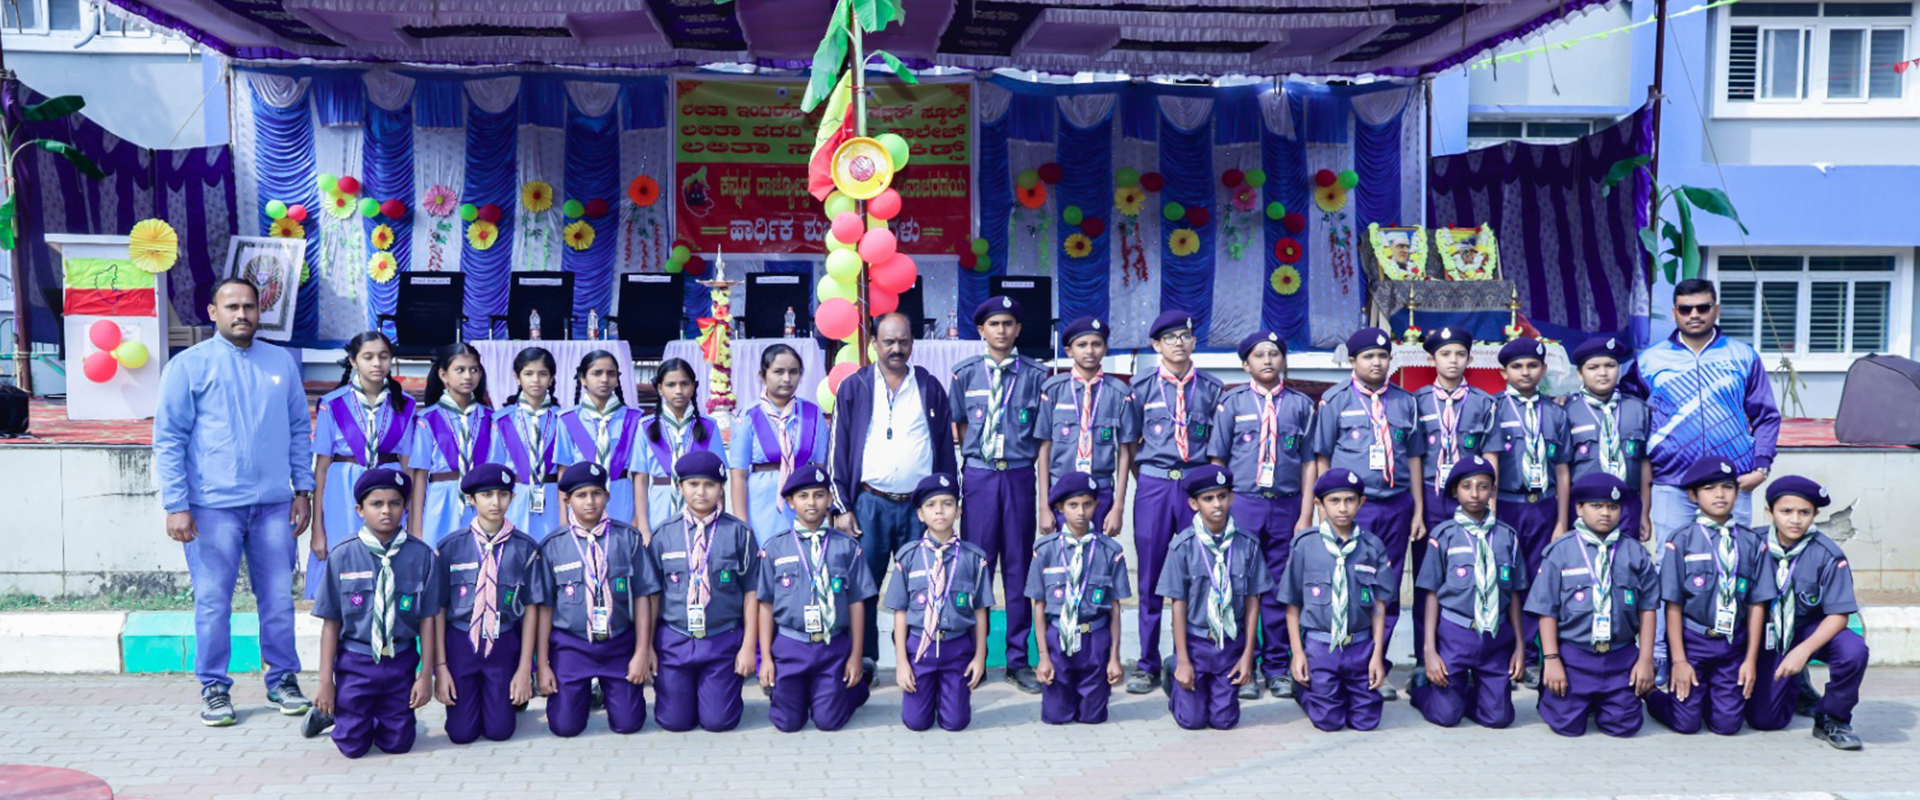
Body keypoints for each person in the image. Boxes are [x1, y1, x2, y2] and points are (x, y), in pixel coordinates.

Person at [154, 277, 314, 726]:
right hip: (212, 507)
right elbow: (168, 438)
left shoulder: (280, 363)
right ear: (213, 312)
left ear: (259, 311)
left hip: (274, 505)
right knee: (212, 602)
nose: (241, 314)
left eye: (249, 306)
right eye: (232, 307)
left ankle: (283, 679)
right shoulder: (188, 366)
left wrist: (302, 490)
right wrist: (176, 504)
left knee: (278, 599)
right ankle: (214, 687)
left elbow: (299, 429)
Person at [1623, 278, 1781, 672]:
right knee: (1669, 569)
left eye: (1703, 307)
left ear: (1716, 310)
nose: (1694, 315)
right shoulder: (1650, 360)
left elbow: (1766, 415)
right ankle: (1663, 655)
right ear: (1674, 312)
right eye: (1686, 309)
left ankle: (1736, 656)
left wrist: (1761, 466)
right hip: (1672, 483)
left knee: (1736, 565)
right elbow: (1622, 408)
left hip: (1732, 484)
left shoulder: (1742, 356)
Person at [830, 313, 957, 661]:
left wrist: (947, 502)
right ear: (874, 343)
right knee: (863, 587)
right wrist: (842, 507)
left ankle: (920, 658)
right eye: (888, 341)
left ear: (912, 343)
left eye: (903, 341)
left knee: (922, 584)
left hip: (920, 509)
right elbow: (837, 450)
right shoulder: (854, 387)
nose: (896, 348)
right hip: (869, 505)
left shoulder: (929, 387)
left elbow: (945, 449)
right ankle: (864, 659)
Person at [1310, 327, 1423, 699]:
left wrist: (1418, 510)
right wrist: (1325, 511)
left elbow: (1414, 459)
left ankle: (1377, 666)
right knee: (1347, 585)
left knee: (1385, 589)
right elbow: (1323, 456)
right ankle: (1341, 665)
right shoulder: (1335, 400)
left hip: (1396, 506)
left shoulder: (1405, 402)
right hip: (1354, 509)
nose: (1376, 362)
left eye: (1383, 356)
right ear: (1353, 361)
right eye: (1368, 357)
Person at [950, 296, 1050, 694]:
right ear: (981, 330)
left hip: (1019, 475)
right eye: (994, 324)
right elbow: (959, 428)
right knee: (977, 567)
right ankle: (971, 657)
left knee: (1018, 567)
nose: (1002, 330)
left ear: (1018, 329)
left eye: (1009, 323)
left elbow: (1042, 436)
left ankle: (1017, 660)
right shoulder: (964, 374)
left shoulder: (1037, 375)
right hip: (980, 477)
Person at [1207, 330, 1314, 699]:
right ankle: (1243, 664)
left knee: (1280, 587)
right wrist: (1220, 508)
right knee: (1239, 584)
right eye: (1259, 355)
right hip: (1244, 503)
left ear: (1283, 360)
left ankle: (1277, 666)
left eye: (1274, 353)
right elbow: (1218, 460)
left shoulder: (1301, 405)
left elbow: (1308, 463)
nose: (1268, 360)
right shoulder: (1231, 403)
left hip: (1286, 504)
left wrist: (1306, 513)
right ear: (1245, 364)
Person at [1129, 312, 1227, 698]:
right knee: (1151, 577)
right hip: (1154, 485)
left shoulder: (1212, 388)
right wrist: (1150, 478)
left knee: (1199, 574)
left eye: (1185, 336)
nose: (1179, 343)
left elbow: (1217, 448)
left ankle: (1195, 658)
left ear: (1194, 341)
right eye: (1170, 338)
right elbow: (1130, 444)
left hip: (1196, 487)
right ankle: (1147, 663)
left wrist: (1209, 493)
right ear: (1156, 345)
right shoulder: (1140, 387)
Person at [1036, 317, 1139, 685]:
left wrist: (1118, 505)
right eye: (1082, 345)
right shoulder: (1053, 390)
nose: (1090, 351)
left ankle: (1101, 656)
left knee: (1100, 573)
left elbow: (1125, 452)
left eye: (1096, 344)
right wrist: (1044, 505)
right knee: (1060, 570)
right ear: (1069, 350)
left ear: (1105, 349)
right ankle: (1058, 656)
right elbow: (1044, 449)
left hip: (1101, 494)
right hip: (1062, 497)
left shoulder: (1119, 393)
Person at [308, 468, 439, 758]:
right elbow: (331, 623)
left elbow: (428, 619)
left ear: (405, 507)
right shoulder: (342, 555)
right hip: (356, 662)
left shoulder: (421, 556)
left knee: (398, 744)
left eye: (395, 503)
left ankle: (372, 714)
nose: (386, 511)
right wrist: (325, 682)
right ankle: (332, 711)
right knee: (352, 747)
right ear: (360, 510)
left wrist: (425, 675)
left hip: (400, 662)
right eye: (376, 504)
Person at [1646, 455, 1776, 736]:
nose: (1720, 494)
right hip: (1693, 642)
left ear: (1737, 492)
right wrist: (1678, 661)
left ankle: (1706, 700)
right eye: (1709, 489)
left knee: (1727, 726)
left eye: (1727, 487)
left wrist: (1750, 660)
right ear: (1693, 496)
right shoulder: (1681, 540)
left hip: (1732, 644)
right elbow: (1672, 605)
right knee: (1686, 724)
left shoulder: (1752, 543)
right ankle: (1652, 697)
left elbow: (1757, 605)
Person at [1527, 472, 1660, 738]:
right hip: (1574, 656)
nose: (1605, 513)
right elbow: (1546, 610)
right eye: (1596, 506)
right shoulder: (1560, 552)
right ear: (1579, 509)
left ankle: (1611, 700)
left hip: (1620, 656)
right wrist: (1551, 659)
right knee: (1567, 726)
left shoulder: (1635, 553)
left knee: (1624, 727)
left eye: (1612, 507)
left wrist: (1645, 660)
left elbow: (1648, 609)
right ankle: (1557, 696)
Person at [534, 462, 661, 737]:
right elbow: (545, 609)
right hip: (571, 645)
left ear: (607, 496)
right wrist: (542, 665)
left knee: (628, 724)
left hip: (618, 643)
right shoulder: (553, 546)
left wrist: (642, 651)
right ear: (566, 500)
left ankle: (610, 693)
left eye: (596, 493)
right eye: (581, 495)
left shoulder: (627, 538)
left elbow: (643, 596)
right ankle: (581, 695)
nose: (590, 502)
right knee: (565, 727)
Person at [1747, 476, 1867, 750]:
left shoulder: (1827, 554)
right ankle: (1796, 687)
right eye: (1786, 511)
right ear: (1769, 512)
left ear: (1815, 514)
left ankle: (1833, 717)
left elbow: (1839, 615)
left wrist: (1803, 651)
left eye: (1804, 512)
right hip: (1765, 636)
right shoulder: (1751, 543)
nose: (1795, 520)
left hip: (1807, 632)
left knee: (1853, 650)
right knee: (1766, 720)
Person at [756, 464, 877, 733]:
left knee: (828, 722)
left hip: (832, 646)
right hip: (790, 646)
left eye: (819, 495)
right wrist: (766, 658)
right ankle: (802, 693)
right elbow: (765, 604)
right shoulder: (775, 548)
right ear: (790, 502)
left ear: (830, 499)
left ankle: (854, 691)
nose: (811, 502)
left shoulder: (846, 547)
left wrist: (856, 655)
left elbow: (857, 603)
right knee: (787, 723)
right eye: (803, 496)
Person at [1408, 456, 1526, 729]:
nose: (1475, 494)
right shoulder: (1443, 535)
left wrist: (1520, 646)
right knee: (1446, 717)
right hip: (1455, 634)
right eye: (1467, 486)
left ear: (1493, 491)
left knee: (1499, 718)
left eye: (1483, 487)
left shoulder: (1507, 537)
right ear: (1454, 491)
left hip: (1495, 637)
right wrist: (1429, 650)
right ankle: (1421, 693)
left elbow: (1514, 595)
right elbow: (1431, 594)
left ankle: (1471, 697)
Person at [433, 463, 546, 745]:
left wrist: (525, 669)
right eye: (486, 495)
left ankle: (508, 698)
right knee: (461, 734)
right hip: (461, 643)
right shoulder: (450, 548)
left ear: (512, 497)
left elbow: (531, 608)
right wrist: (440, 667)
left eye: (503, 494)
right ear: (471, 499)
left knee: (499, 731)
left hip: (503, 642)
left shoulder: (524, 548)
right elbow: (438, 609)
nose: (496, 502)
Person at [648, 450, 759, 733]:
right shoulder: (663, 534)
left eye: (710, 485)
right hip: (675, 641)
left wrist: (748, 647)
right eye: (693, 484)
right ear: (679, 487)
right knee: (674, 722)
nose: (701, 492)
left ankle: (716, 694)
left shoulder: (739, 533)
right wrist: (647, 647)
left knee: (718, 721)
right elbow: (652, 597)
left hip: (722, 640)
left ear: (721, 488)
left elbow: (752, 592)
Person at [1410, 327, 1499, 668]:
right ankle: (1425, 657)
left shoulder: (1483, 403)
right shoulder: (1416, 402)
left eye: (1460, 354)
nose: (1453, 361)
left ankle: (1474, 655)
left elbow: (1491, 455)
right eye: (1445, 354)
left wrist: (1491, 504)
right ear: (1431, 359)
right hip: (1432, 499)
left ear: (1470, 359)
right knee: (1427, 580)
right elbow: (1414, 459)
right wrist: (1418, 510)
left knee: (1473, 575)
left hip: (1472, 500)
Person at [1158, 465, 1268, 731]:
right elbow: (1178, 606)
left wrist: (1248, 655)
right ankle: (1173, 672)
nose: (1217, 504)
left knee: (1224, 721)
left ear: (1231, 498)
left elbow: (1253, 602)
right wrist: (1183, 660)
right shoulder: (1182, 547)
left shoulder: (1248, 545)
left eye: (1222, 496)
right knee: (1192, 721)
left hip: (1230, 645)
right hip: (1195, 644)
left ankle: (1209, 691)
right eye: (1208, 498)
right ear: (1194, 504)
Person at [1281, 469, 1392, 732]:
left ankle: (1339, 691)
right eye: (1334, 501)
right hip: (1320, 647)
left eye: (1350, 500)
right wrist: (1298, 654)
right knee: (1329, 721)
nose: (1343, 508)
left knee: (1366, 721)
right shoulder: (1305, 545)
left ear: (1361, 502)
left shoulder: (1371, 547)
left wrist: (1377, 656)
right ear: (1319, 504)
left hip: (1360, 647)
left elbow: (1379, 608)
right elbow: (1292, 604)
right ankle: (1305, 690)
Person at [309, 332, 417, 602]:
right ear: (353, 361)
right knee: (344, 557)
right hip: (342, 490)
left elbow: (408, 465)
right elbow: (321, 468)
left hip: (390, 489)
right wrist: (317, 528)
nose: (377, 363)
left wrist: (412, 515)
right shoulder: (332, 404)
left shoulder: (405, 404)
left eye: (383, 356)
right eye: (368, 357)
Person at [1490, 336, 1572, 686]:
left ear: (1543, 369)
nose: (1525, 372)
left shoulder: (1555, 412)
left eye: (1532, 366)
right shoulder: (1493, 408)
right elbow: (1489, 467)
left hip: (1544, 507)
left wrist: (1561, 521)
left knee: (1541, 581)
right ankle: (1504, 654)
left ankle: (1534, 655)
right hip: (1507, 505)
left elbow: (1563, 471)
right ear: (1504, 372)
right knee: (1504, 579)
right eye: (1517, 366)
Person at [882, 474, 992, 732]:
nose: (939, 511)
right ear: (921, 514)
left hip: (957, 649)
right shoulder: (908, 557)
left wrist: (979, 658)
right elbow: (900, 611)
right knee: (916, 723)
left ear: (959, 511)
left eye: (947, 503)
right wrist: (902, 663)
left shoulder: (973, 558)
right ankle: (930, 696)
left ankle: (949, 697)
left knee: (956, 723)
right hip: (920, 649)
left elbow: (980, 610)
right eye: (931, 505)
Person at [1026, 472, 1130, 725]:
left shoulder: (1110, 551)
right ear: (1060, 508)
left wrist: (1114, 657)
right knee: (1056, 717)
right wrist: (1043, 657)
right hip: (1057, 638)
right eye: (1073, 505)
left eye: (1087, 504)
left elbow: (1115, 608)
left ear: (1096, 505)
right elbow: (1039, 606)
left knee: (1092, 717)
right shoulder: (1045, 551)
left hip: (1095, 638)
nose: (1081, 512)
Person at [731, 345, 827, 544]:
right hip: (761, 505)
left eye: (794, 372)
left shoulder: (813, 414)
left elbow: (821, 468)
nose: (787, 378)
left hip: (805, 502)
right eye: (778, 372)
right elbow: (738, 476)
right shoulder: (748, 416)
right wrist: (742, 525)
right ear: (762, 375)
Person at [1563, 336, 1653, 540]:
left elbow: (1645, 464)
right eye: (1593, 367)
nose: (1603, 373)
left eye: (1610, 366)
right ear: (1580, 373)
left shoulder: (1638, 410)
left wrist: (1644, 512)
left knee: (1626, 557)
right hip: (1583, 505)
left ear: (1619, 369)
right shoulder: (1567, 411)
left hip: (1627, 504)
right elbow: (1562, 469)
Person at [413, 343, 498, 544]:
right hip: (441, 500)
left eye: (474, 370)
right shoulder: (427, 419)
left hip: (481, 500)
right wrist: (416, 527)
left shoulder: (491, 418)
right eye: (460, 370)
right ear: (443, 375)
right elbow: (420, 475)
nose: (468, 376)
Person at [555, 350, 644, 527]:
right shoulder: (568, 419)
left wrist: (638, 517)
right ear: (583, 379)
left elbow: (639, 474)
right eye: (597, 373)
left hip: (621, 499)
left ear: (617, 379)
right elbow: (563, 471)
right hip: (582, 501)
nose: (604, 379)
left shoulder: (634, 418)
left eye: (611, 374)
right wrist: (563, 518)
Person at [637, 358, 724, 537]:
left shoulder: (709, 426)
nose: (678, 390)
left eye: (684, 384)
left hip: (700, 509)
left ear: (693, 387)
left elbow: (719, 477)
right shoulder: (645, 426)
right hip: (659, 509)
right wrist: (644, 528)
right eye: (671, 385)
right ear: (660, 388)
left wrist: (719, 520)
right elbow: (640, 481)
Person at [496, 347, 562, 536]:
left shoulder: (563, 419)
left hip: (552, 496)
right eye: (528, 373)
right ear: (517, 378)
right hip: (514, 497)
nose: (535, 380)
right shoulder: (502, 420)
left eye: (543, 374)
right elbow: (495, 466)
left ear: (551, 378)